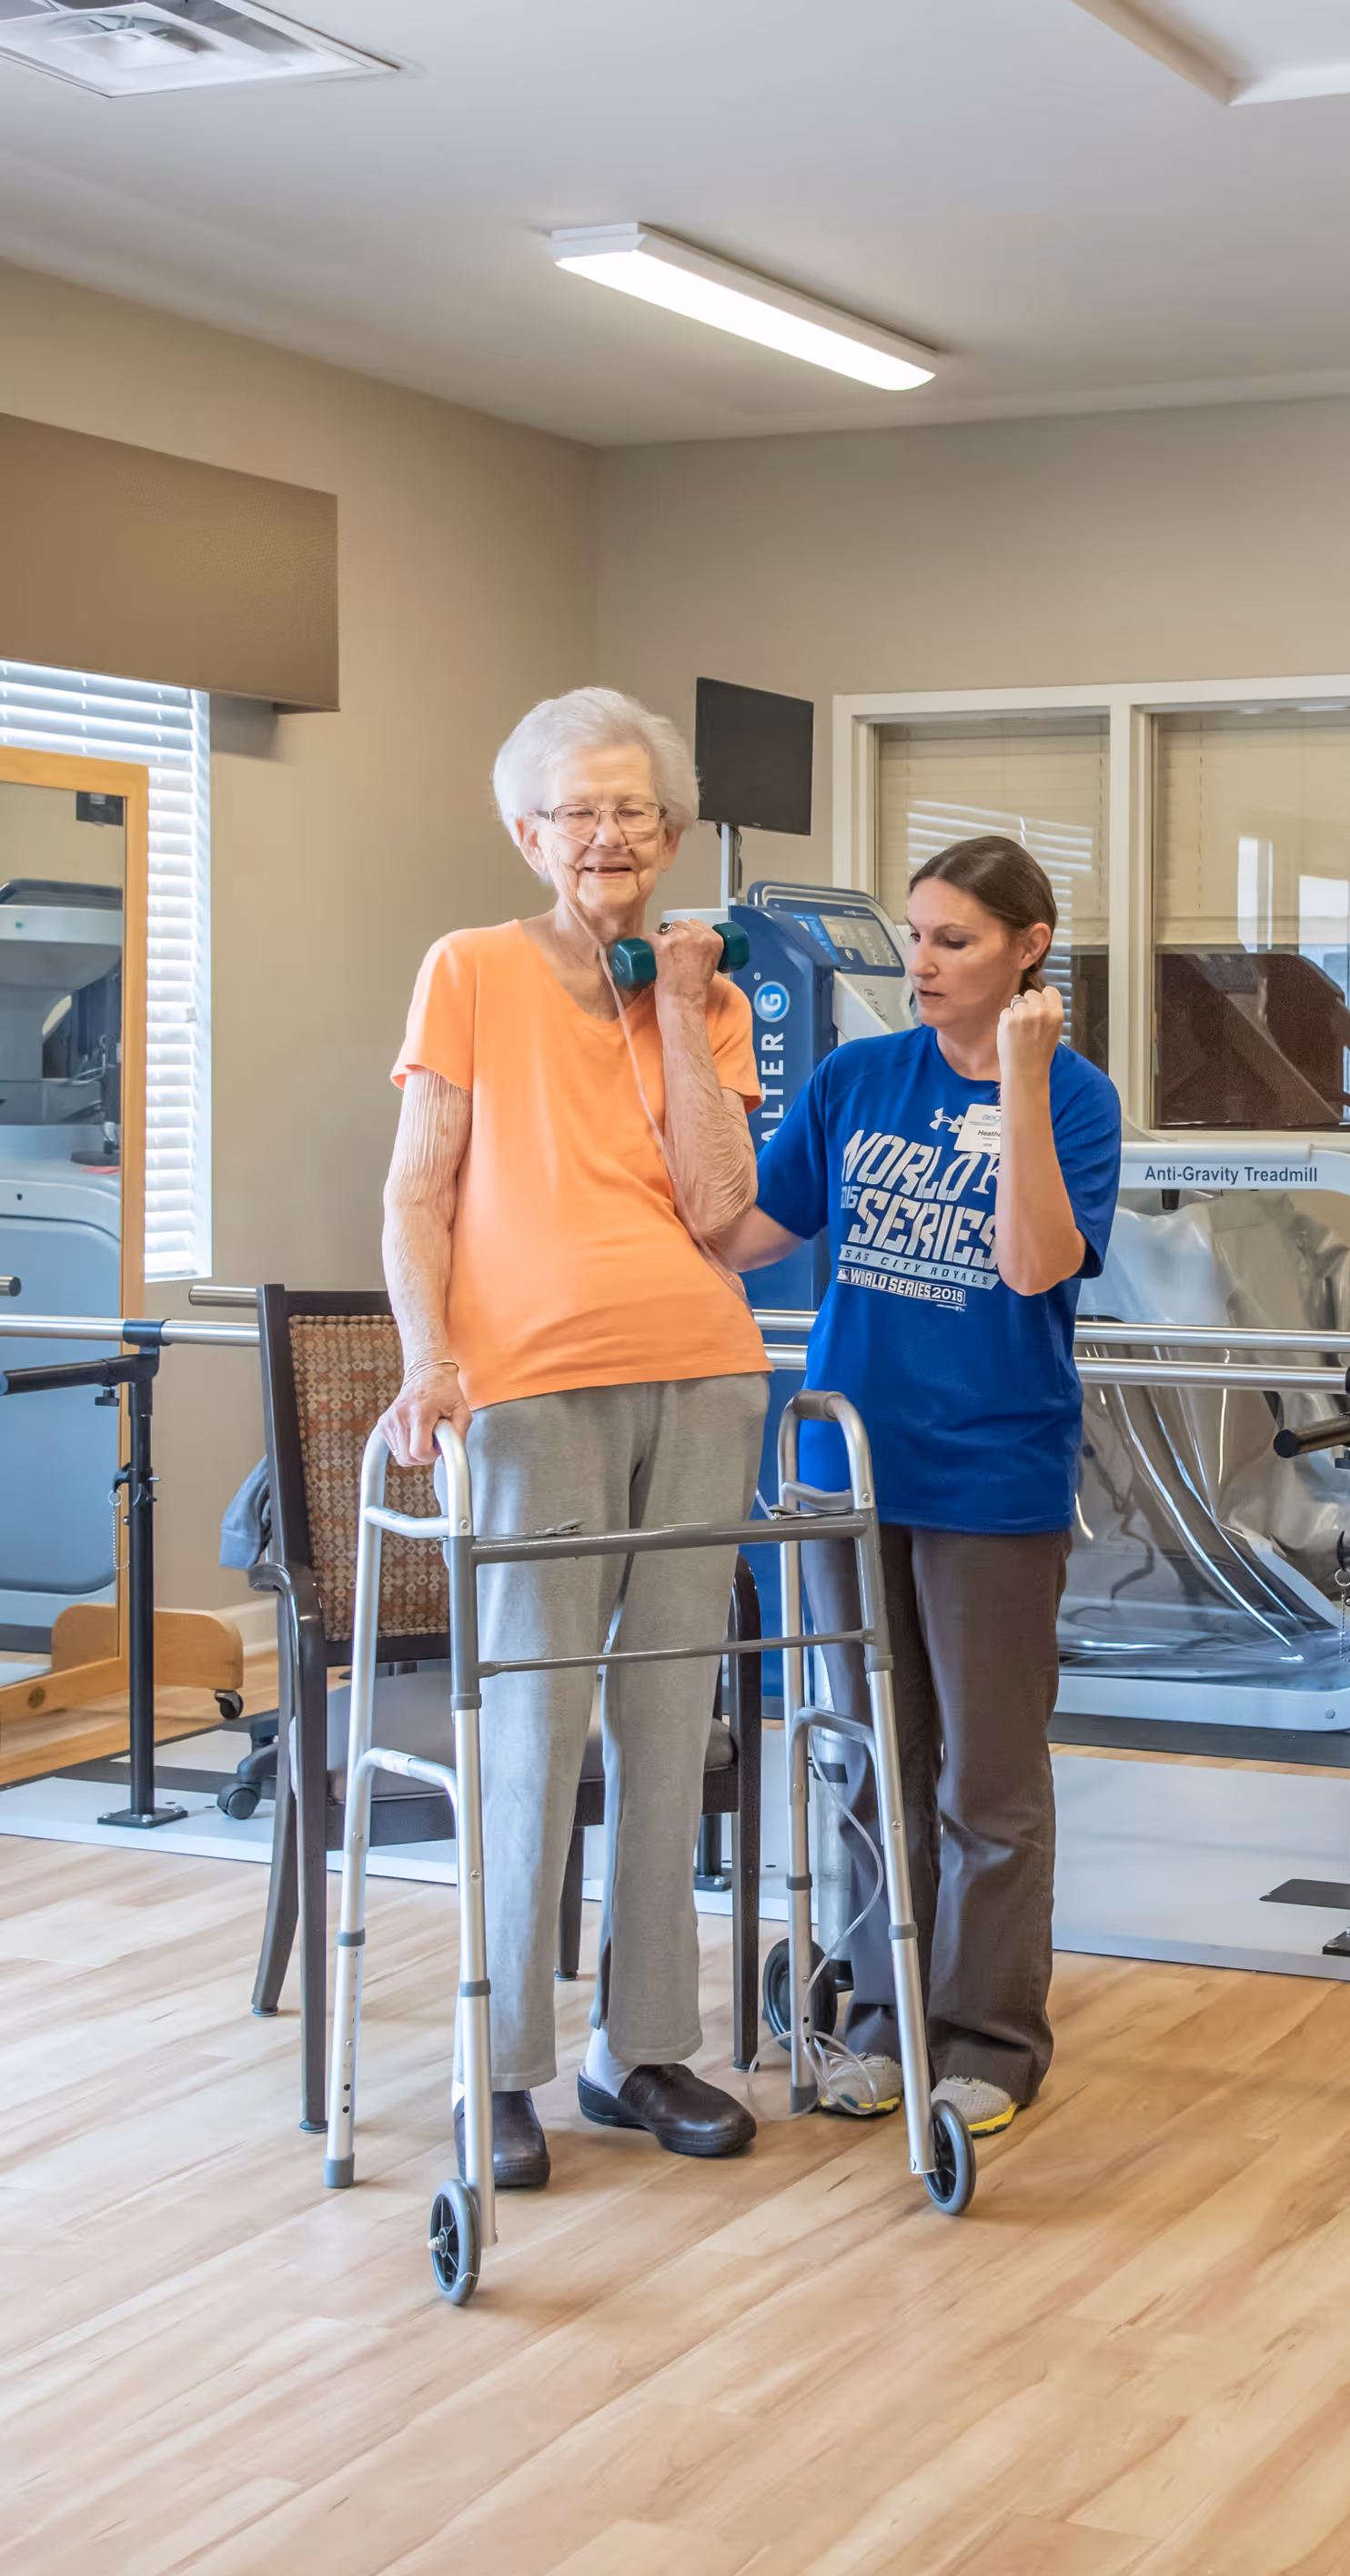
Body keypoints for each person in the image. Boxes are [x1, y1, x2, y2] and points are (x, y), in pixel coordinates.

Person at [377, 686, 769, 2187]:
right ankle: (503, 2064)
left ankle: (641, 2048)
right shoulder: (469, 968)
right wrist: (429, 1358)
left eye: (635, 811)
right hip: (531, 1385)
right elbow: (420, 1190)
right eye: (580, 811)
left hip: (703, 1366)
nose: (610, 835)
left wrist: (672, 1000)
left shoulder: (706, 996)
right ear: (527, 831)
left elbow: (721, 1201)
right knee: (537, 1727)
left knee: (672, 1719)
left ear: (671, 834)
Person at [719, 835, 1122, 2137]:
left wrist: (1016, 1079)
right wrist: (672, 1032)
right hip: (848, 1467)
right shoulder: (853, 1079)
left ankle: (993, 2037)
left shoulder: (1073, 1097)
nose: (921, 962)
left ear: (1028, 948)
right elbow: (738, 1232)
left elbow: (1030, 1265)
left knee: (986, 1782)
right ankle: (888, 2017)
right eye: (914, 935)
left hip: (990, 1472)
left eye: (954, 940)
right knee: (871, 1759)